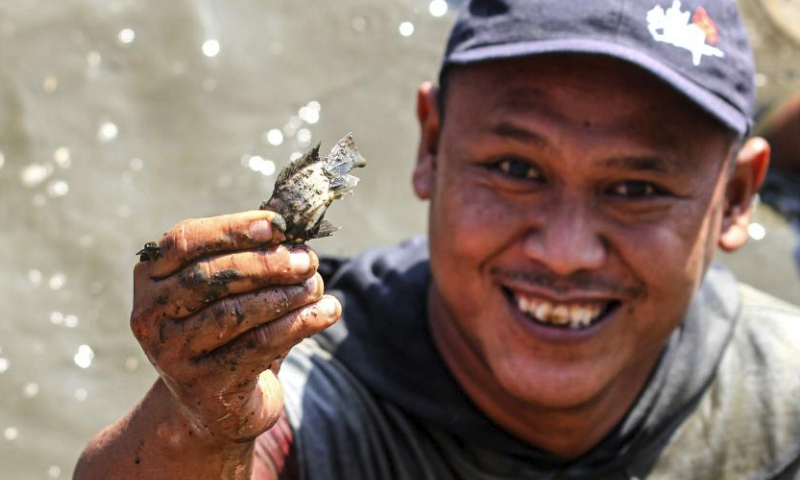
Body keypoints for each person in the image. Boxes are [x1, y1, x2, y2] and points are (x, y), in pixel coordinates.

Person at [74, 1, 800, 479]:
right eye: (516, 169)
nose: (565, 250)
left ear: (736, 197)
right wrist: (200, 418)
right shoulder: (323, 384)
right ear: (431, 144)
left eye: (637, 188)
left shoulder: (784, 399)